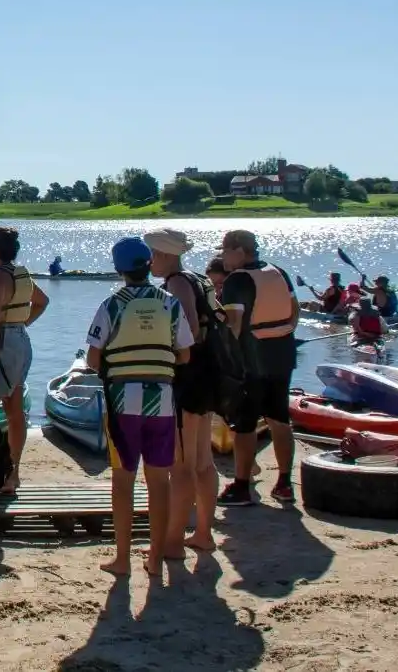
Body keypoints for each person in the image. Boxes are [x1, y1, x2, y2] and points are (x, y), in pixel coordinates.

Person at [87, 237, 192, 577]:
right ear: (149, 264)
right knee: (159, 481)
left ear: (119, 269)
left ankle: (122, 559)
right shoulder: (170, 303)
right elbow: (186, 353)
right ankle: (156, 558)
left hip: (122, 402)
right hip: (161, 400)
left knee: (123, 479)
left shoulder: (111, 304)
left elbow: (93, 358)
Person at [143, 227, 219, 556]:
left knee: (182, 464)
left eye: (151, 256)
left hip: (188, 376)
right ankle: (203, 532)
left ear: (162, 254)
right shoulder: (200, 279)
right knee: (203, 461)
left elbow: (185, 329)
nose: (149, 263)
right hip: (208, 375)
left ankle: (173, 542)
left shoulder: (176, 283)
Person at [216, 229, 299, 506]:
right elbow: (294, 309)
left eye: (225, 250)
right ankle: (285, 483)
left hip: (251, 360)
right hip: (282, 353)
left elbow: (234, 324)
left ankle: (241, 486)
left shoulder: (237, 279)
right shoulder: (278, 271)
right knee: (279, 418)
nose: (222, 256)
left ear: (239, 250)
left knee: (245, 424)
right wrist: (284, 333)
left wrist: (226, 360)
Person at [0, 225, 48, 492]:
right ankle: (13, 473)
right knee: (15, 410)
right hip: (20, 341)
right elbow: (42, 301)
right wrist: (22, 324)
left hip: (2, 344)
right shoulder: (22, 273)